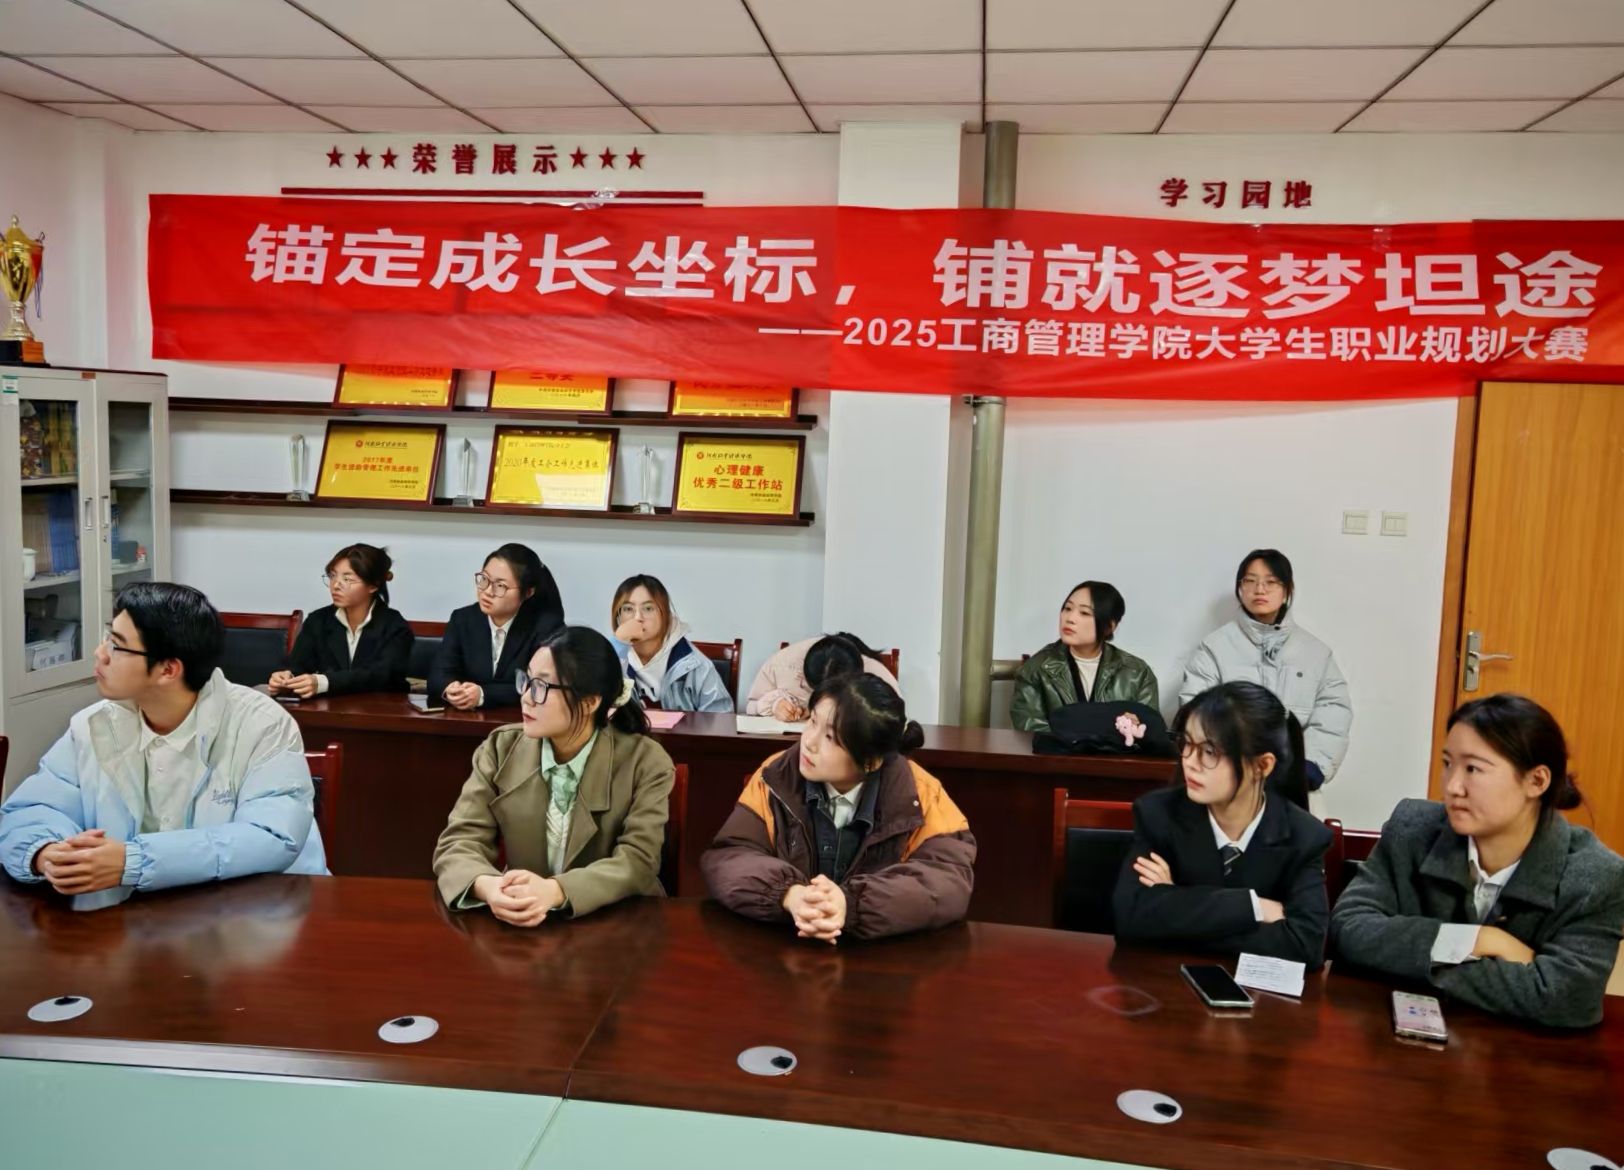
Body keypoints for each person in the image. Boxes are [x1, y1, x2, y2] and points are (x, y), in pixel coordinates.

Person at [0, 582, 327, 911]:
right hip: (127, 923)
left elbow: (271, 837)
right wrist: (46, 852)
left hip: (250, 918)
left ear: (168, 669)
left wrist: (133, 861)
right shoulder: (93, 725)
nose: (100, 653)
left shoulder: (261, 724)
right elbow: (32, 810)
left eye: (117, 645)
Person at [1331, 694, 1624, 1029]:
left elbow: (1569, 999)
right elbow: (1349, 928)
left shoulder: (1597, 876)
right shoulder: (1412, 828)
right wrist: (1480, 940)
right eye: (1447, 764)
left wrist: (1413, 959)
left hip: (1518, 1053)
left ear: (1536, 781)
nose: (1453, 787)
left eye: (1473, 769)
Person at [703, 672, 975, 942]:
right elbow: (730, 856)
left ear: (871, 761)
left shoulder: (921, 793)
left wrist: (850, 904)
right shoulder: (776, 775)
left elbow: (947, 881)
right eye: (812, 721)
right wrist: (791, 895)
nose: (809, 742)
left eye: (830, 737)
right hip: (786, 945)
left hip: (883, 957)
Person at [433, 625, 675, 923]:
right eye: (526, 681)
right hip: (523, 921)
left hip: (618, 923)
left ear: (590, 702)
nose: (525, 697)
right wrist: (488, 887)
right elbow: (459, 841)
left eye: (541, 687)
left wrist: (556, 891)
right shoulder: (501, 748)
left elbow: (638, 861)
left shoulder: (645, 761)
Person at [1113, 681, 1331, 966]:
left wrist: (1175, 903)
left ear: (1262, 766)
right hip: (1167, 983)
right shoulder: (1159, 814)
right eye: (1186, 743)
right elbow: (1131, 919)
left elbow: (1306, 945)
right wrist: (1253, 906)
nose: (1189, 762)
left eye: (1210, 752)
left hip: (1257, 992)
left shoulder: (1304, 836)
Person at [1180, 549, 1351, 790]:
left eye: (1271, 582)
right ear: (1240, 589)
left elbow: (1334, 712)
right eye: (1250, 581)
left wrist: (1310, 765)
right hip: (1229, 780)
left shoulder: (1316, 653)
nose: (1260, 589)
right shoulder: (1214, 648)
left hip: (1295, 780)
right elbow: (1196, 710)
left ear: (1287, 590)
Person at [428, 543, 564, 710]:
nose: (487, 591)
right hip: (465, 717)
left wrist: (482, 694)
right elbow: (439, 673)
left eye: (500, 586)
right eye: (484, 579)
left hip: (521, 720)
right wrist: (450, 688)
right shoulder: (463, 619)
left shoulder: (546, 628)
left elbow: (539, 686)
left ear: (528, 592)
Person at [1011, 580, 1160, 733]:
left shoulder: (1137, 673)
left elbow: (1149, 729)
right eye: (1068, 608)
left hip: (1116, 750)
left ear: (1109, 626)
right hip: (1055, 750)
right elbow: (1029, 730)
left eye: (1084, 613)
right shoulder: (1036, 669)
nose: (1070, 618)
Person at [268, 543, 413, 698]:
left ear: (373, 585)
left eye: (347, 579)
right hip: (328, 708)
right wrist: (286, 678)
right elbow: (298, 666)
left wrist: (324, 682)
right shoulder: (318, 620)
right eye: (332, 576)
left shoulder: (395, 626)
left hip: (381, 708)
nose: (336, 585)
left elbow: (381, 675)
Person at [611, 574, 733, 713]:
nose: (638, 617)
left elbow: (721, 719)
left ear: (665, 614)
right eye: (628, 609)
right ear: (618, 616)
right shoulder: (613, 656)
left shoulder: (696, 665)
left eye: (648, 608)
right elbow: (597, 709)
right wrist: (617, 647)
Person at [743, 632, 899, 721]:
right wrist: (775, 705)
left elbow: (896, 721)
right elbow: (751, 707)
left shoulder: (876, 674)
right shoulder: (783, 665)